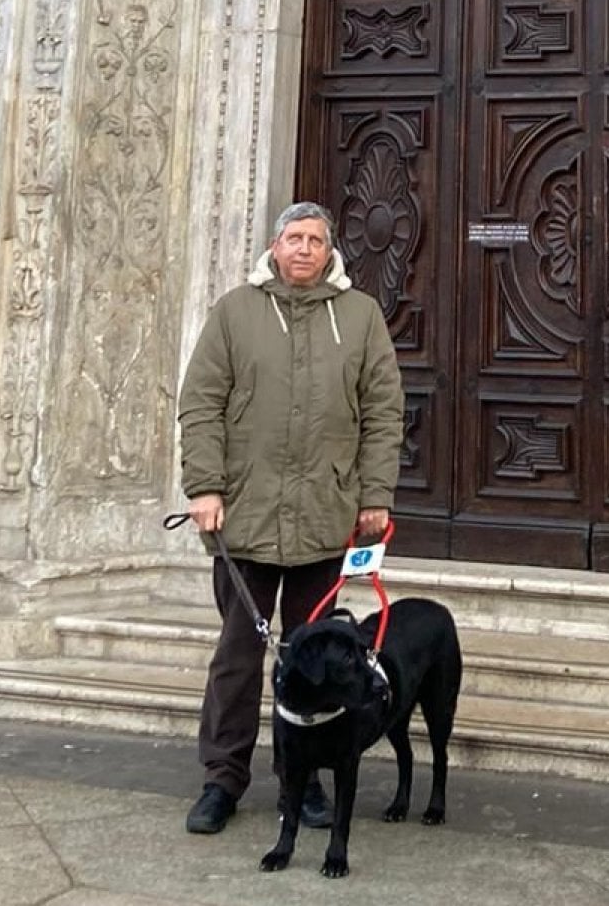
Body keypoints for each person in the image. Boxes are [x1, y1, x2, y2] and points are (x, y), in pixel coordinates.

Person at [176, 201, 404, 834]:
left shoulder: (360, 316)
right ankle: (222, 778)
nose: (304, 249)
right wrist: (205, 486)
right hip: (244, 518)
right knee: (238, 654)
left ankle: (302, 783)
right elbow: (201, 403)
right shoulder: (235, 313)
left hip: (324, 517)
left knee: (320, 659)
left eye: (315, 240)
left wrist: (374, 494)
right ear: (274, 247)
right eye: (293, 238)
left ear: (331, 251)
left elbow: (383, 410)